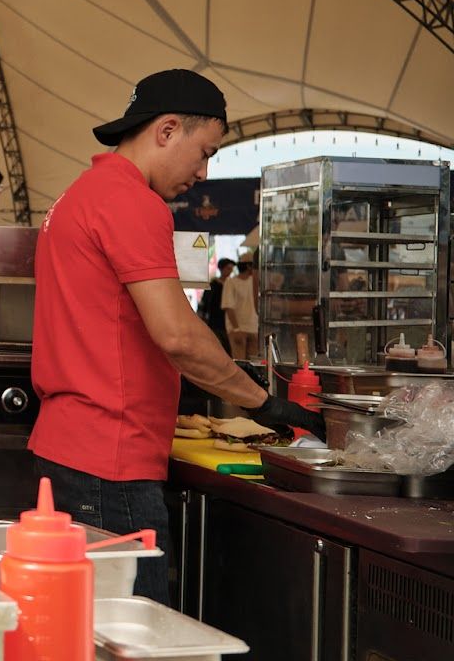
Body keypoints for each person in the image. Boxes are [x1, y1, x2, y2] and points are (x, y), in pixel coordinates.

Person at [29, 69, 320, 603]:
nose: (203, 173)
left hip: (73, 445)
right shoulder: (131, 201)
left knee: (88, 626)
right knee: (131, 633)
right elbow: (178, 335)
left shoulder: (80, 194)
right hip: (110, 458)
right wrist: (263, 402)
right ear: (166, 130)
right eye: (204, 152)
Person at [222, 258, 260, 360]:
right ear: (248, 266)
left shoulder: (255, 282)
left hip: (254, 328)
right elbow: (228, 307)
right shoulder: (231, 282)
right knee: (240, 361)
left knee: (253, 362)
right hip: (238, 329)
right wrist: (236, 329)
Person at [197, 258, 236, 353]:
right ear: (221, 269)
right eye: (228, 268)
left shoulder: (233, 284)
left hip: (228, 320)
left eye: (231, 269)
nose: (230, 271)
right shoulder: (213, 284)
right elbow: (204, 302)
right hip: (214, 320)